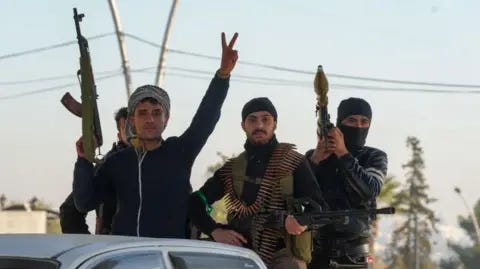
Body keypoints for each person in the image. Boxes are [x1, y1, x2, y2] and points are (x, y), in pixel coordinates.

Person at [73, 32, 239, 238]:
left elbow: (206, 118)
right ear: (132, 120)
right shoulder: (117, 163)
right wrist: (83, 161)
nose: (149, 119)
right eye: (142, 113)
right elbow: (84, 203)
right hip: (126, 256)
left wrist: (222, 76)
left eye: (156, 113)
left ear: (166, 119)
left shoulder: (179, 152)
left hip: (167, 255)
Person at [188, 97, 326, 269]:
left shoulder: (293, 162)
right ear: (243, 126)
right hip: (240, 254)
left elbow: (319, 210)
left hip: (281, 255)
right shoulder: (233, 169)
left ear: (274, 124)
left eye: (265, 119)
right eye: (252, 120)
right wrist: (215, 230)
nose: (259, 125)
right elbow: (195, 201)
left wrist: (301, 222)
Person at [306, 97, 388, 269]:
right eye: (351, 120)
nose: (358, 126)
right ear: (339, 123)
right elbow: (298, 195)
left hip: (356, 258)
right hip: (316, 254)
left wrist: (343, 153)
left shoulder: (374, 157)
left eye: (364, 121)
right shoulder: (315, 156)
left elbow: (369, 190)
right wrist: (315, 161)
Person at [60, 107, 129, 234]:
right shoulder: (110, 165)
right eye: (128, 128)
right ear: (120, 135)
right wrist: (91, 246)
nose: (133, 132)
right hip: (114, 246)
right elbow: (72, 211)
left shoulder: (163, 159)